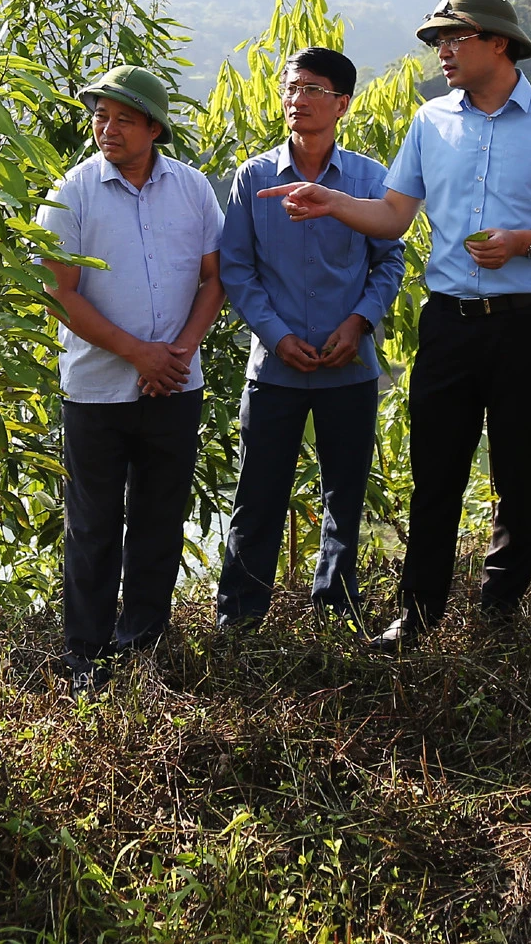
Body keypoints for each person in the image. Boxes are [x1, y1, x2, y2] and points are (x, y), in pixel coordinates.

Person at [259, 0, 531, 647]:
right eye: (435, 42)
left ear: (498, 44)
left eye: (455, 38)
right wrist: (330, 200)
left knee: (515, 468)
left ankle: (499, 606)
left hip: (524, 321)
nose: (442, 51)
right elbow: (394, 215)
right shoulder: (430, 122)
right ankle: (416, 614)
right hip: (447, 320)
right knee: (436, 470)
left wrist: (524, 242)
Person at [36, 66, 224, 692]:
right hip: (95, 390)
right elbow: (60, 295)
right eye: (100, 116)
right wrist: (138, 354)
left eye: (122, 118)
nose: (106, 128)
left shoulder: (194, 190)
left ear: (154, 127)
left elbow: (214, 277)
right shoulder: (71, 194)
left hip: (175, 385)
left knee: (158, 518)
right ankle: (86, 654)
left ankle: (142, 641)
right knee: (91, 523)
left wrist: (177, 353)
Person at [216, 47, 406, 635]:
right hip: (273, 369)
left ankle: (337, 609)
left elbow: (389, 260)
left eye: (313, 90)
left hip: (348, 365)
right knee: (258, 492)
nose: (298, 100)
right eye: (291, 88)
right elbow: (236, 268)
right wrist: (275, 336)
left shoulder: (372, 179)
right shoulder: (253, 177)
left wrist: (360, 323)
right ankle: (240, 616)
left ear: (342, 104)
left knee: (343, 493)